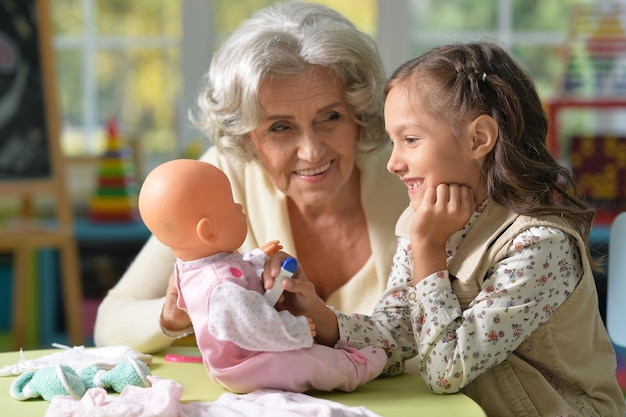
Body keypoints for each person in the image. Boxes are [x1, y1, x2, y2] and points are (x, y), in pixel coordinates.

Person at [273, 42, 626, 416]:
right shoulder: (421, 222)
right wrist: (319, 316)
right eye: (393, 142)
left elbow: (445, 371)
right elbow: (396, 334)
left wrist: (428, 249)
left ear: (478, 139)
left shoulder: (540, 244)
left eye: (410, 140)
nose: (393, 163)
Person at [93, 2, 408, 352]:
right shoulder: (219, 179)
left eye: (331, 117)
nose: (312, 151)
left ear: (358, 111)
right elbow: (110, 323)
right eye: (280, 127)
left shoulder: (409, 173)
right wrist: (175, 313)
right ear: (246, 137)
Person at [136, 159, 386, 393]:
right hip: (244, 364)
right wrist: (296, 329)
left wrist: (256, 259)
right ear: (207, 230)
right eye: (230, 205)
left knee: (301, 356)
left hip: (243, 355)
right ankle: (351, 370)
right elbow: (254, 326)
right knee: (304, 362)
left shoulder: (195, 265)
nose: (239, 206)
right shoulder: (222, 289)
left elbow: (236, 270)